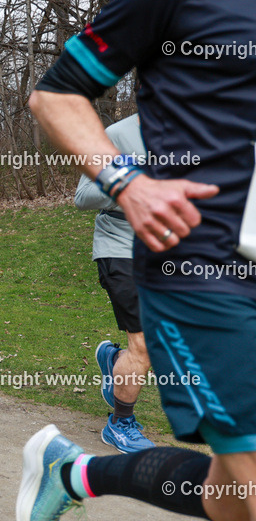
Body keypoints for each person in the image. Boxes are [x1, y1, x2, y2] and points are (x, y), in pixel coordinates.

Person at [17, 0, 256, 521]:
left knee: (235, 499)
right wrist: (126, 181)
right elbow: (55, 92)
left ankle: (78, 472)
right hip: (200, 266)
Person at [74, 113, 155, 453]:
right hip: (121, 247)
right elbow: (83, 196)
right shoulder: (116, 134)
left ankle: (114, 361)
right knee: (144, 344)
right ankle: (120, 423)